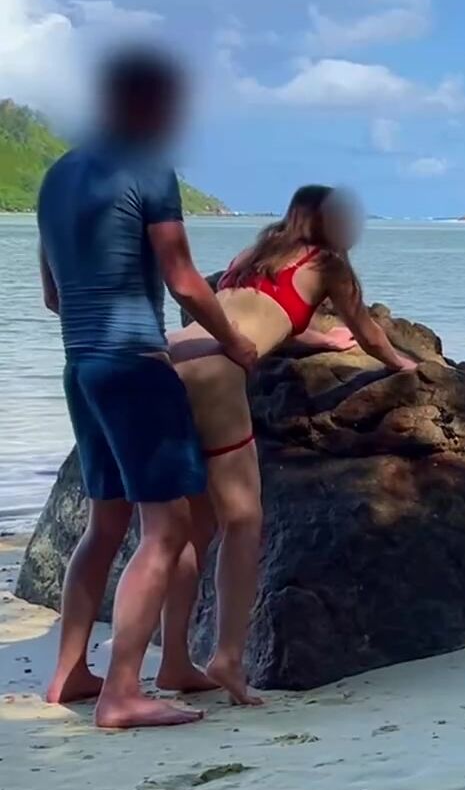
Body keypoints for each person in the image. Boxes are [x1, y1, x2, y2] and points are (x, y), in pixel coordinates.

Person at [38, 47, 259, 729]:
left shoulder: (57, 177)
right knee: (164, 530)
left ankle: (73, 672)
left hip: (81, 366)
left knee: (105, 524)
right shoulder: (149, 171)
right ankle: (122, 694)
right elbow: (186, 280)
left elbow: (51, 295)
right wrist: (232, 339)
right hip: (136, 365)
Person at [156, 184, 417, 706]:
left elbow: (258, 314)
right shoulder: (329, 265)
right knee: (243, 519)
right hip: (214, 376)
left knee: (194, 524)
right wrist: (406, 366)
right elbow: (367, 331)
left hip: (168, 360)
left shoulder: (252, 256)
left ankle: (173, 660)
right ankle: (227, 658)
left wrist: (318, 338)